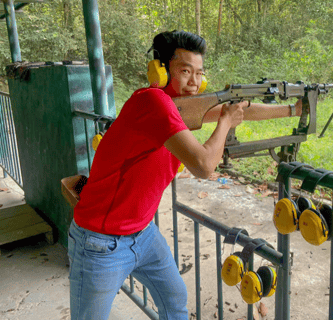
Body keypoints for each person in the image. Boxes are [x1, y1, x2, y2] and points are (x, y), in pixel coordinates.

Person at [67, 30, 302, 320]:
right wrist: (226, 122)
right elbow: (204, 166)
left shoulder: (181, 107)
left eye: (199, 73)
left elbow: (239, 109)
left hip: (143, 233)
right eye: (185, 71)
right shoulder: (153, 101)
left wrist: (292, 109)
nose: (194, 81)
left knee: (175, 300)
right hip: (101, 243)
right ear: (161, 71)